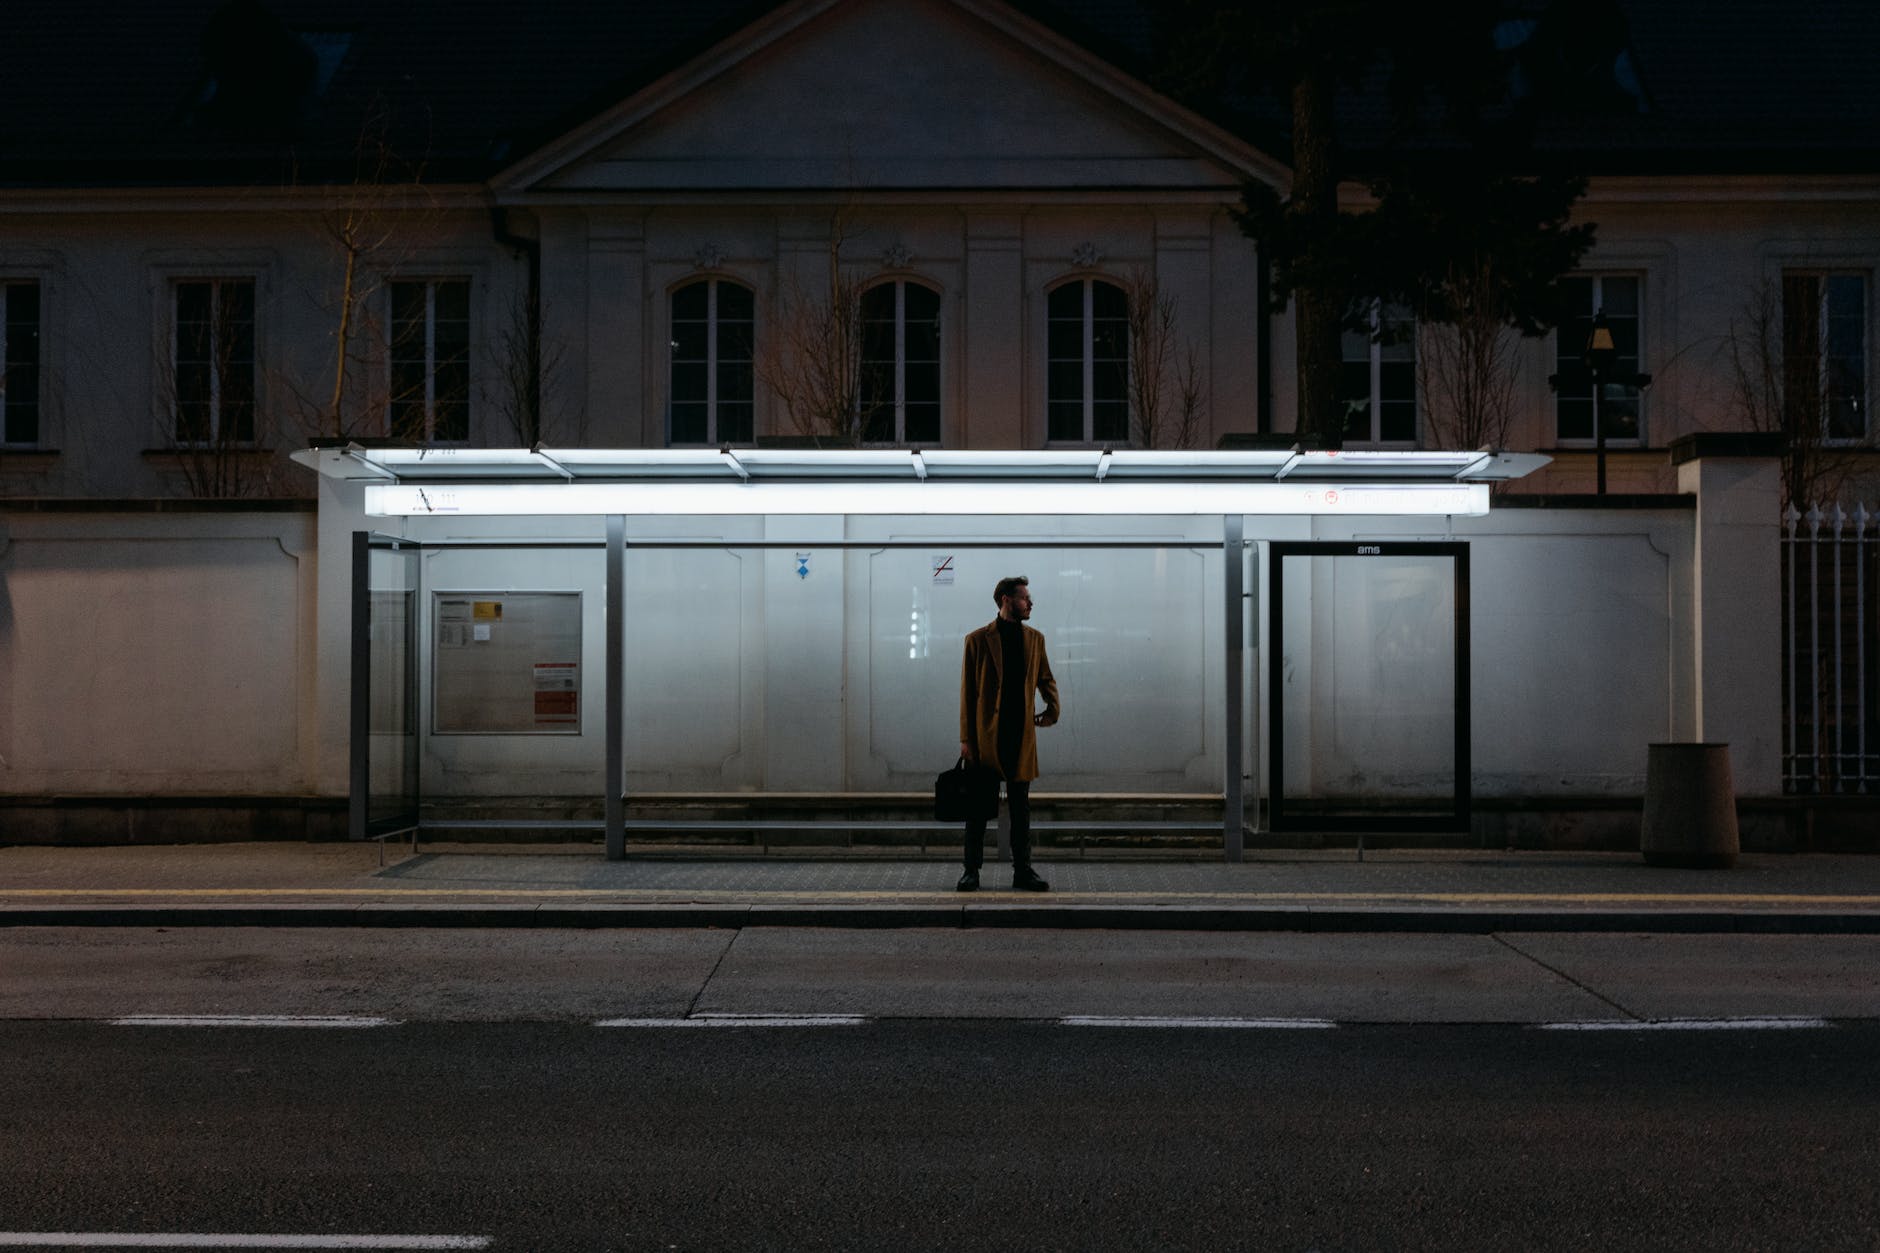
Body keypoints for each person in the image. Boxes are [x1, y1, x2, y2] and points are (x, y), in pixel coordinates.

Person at [957, 575, 1060, 892]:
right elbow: (968, 692)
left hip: (1021, 735)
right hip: (986, 735)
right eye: (1024, 597)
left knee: (1021, 809)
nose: (1030, 603)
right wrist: (965, 739)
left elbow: (1046, 679)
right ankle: (971, 871)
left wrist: (1052, 709)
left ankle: (1023, 871)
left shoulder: (1035, 639)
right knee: (978, 810)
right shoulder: (977, 640)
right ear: (1006, 600)